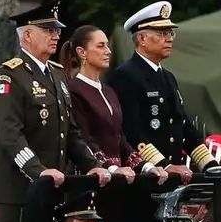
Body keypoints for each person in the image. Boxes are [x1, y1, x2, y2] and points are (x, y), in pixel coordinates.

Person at [0, 0, 109, 222]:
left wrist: (93, 165)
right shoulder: (9, 75)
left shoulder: (57, 73)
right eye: (48, 30)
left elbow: (70, 132)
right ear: (28, 34)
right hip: (18, 189)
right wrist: (37, 170)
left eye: (57, 30)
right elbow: (9, 134)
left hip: (52, 188)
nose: (56, 36)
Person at [105, 1, 217, 182]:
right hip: (144, 175)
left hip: (172, 174)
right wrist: (163, 165)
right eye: (162, 34)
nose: (170, 38)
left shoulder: (168, 77)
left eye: (170, 33)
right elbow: (130, 132)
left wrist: (211, 165)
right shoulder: (125, 76)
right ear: (142, 39)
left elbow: (184, 126)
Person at [59, 25, 164, 185]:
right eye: (100, 46)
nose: (108, 51)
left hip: (118, 177)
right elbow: (84, 139)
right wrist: (111, 168)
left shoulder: (108, 91)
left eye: (107, 45)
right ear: (82, 52)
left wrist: (146, 166)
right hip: (91, 178)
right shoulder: (73, 90)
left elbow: (120, 138)